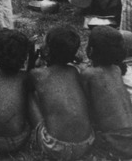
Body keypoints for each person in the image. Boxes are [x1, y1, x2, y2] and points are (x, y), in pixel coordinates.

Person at [82, 26, 132, 160]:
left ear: (91, 50)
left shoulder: (89, 74)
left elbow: (84, 103)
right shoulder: (117, 70)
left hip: (116, 143)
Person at [28, 25, 94, 160]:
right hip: (86, 142)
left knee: (28, 94)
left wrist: (31, 59)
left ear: (47, 50)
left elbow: (27, 80)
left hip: (55, 146)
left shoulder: (38, 74)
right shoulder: (75, 71)